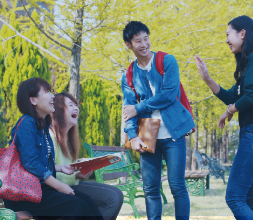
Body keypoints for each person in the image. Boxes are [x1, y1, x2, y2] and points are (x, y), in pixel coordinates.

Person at [195, 15, 253, 220]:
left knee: (234, 198)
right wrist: (207, 79)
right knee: (251, 201)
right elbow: (232, 96)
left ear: (242, 33)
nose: (226, 40)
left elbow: (251, 96)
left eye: (228, 34)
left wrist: (229, 111)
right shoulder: (250, 63)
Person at [121, 21, 195, 220]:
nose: (144, 44)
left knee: (177, 185)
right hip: (146, 135)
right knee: (150, 188)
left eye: (146, 38)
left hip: (173, 134)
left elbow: (170, 94)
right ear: (129, 45)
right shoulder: (128, 75)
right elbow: (128, 111)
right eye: (138, 41)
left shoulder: (167, 61)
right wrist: (132, 136)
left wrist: (139, 107)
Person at [3, 78, 103, 219]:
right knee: (76, 206)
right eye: (47, 92)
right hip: (24, 194)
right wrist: (59, 186)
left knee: (87, 201)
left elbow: (41, 161)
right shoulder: (27, 123)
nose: (52, 96)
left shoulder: (43, 126)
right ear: (33, 100)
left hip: (40, 191)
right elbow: (31, 163)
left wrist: (61, 168)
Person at [50, 92, 123, 220]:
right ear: (57, 111)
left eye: (76, 105)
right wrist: (76, 175)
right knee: (111, 198)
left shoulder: (67, 140)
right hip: (55, 191)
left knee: (117, 194)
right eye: (70, 105)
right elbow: (49, 173)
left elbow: (66, 169)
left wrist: (79, 168)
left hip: (70, 185)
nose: (76, 108)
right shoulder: (51, 137)